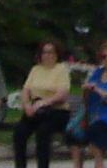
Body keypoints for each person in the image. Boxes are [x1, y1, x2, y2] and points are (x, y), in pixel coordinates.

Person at [14, 40, 73, 168]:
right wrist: (27, 104)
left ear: (57, 54)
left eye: (51, 52)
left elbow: (62, 94)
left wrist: (44, 102)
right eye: (44, 52)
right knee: (19, 132)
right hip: (36, 111)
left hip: (56, 111)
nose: (47, 55)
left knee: (43, 132)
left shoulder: (61, 69)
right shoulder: (36, 69)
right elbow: (26, 90)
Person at [71, 41, 107, 168]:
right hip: (92, 114)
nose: (106, 59)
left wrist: (98, 90)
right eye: (103, 56)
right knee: (73, 136)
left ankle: (99, 164)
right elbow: (87, 95)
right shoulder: (98, 73)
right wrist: (86, 90)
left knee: (95, 132)